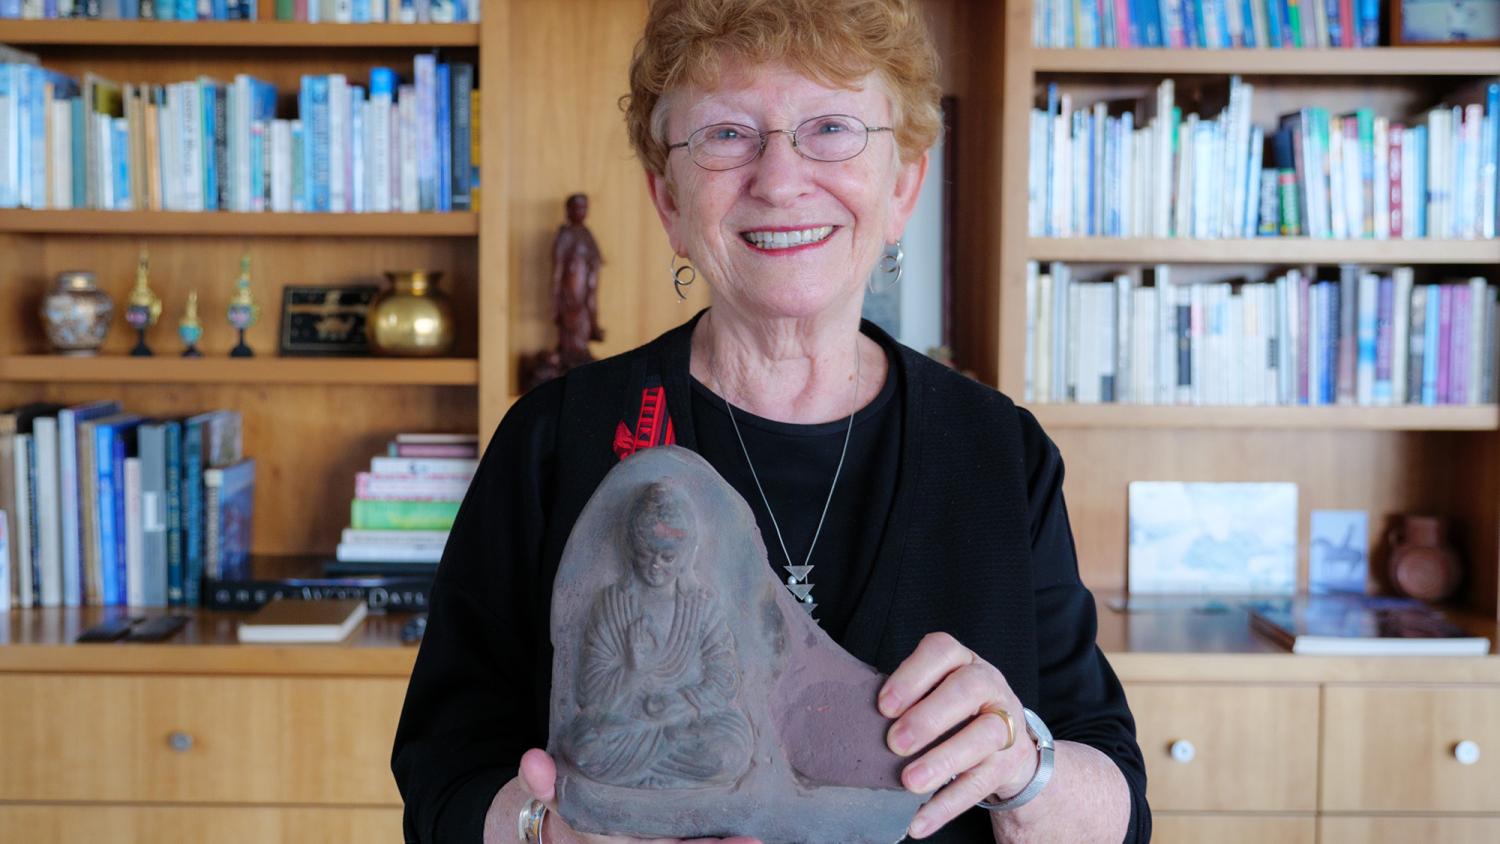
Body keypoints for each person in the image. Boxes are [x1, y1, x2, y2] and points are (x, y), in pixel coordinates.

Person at [391, 1, 1150, 842]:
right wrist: (544, 830)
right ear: (668, 200)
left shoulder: (999, 452)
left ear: (902, 185)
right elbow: (442, 773)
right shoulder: (553, 440)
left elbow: (1118, 802)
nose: (780, 180)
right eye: (726, 135)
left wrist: (1022, 770)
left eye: (831, 127)